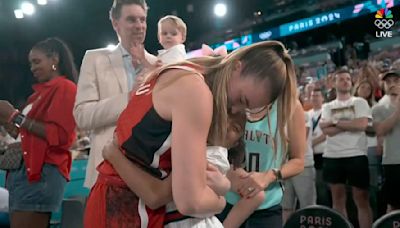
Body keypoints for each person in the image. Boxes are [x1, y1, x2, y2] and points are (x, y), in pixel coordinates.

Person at [84, 40, 298, 228]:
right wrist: (221, 200)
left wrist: (114, 155)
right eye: (241, 100)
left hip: (116, 197)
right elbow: (191, 201)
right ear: (236, 66)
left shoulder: (183, 69)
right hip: (127, 205)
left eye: (245, 110)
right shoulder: (196, 91)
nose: (234, 111)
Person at [99, 111, 246, 228]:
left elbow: (158, 195)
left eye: (235, 128)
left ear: (235, 143)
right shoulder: (195, 145)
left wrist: (115, 156)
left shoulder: (215, 155)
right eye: (224, 116)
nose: (226, 125)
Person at [73, 0, 157, 189]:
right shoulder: (95, 59)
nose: (139, 26)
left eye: (142, 20)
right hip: (107, 172)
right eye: (131, 20)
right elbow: (82, 116)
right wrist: (130, 98)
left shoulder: (158, 64)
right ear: (115, 23)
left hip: (150, 173)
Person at [0, 37, 77, 228]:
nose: (32, 68)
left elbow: (60, 136)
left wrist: (14, 116)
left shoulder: (65, 88)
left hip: (41, 173)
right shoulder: (37, 95)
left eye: (37, 61)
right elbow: (27, 135)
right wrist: (7, 121)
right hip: (23, 172)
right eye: (30, 63)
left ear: (55, 59)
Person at [218, 99, 306, 228]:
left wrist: (269, 176)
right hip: (227, 199)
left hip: (267, 206)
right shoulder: (233, 98)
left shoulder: (289, 104)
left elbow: (298, 162)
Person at [320, 69, 373, 228]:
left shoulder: (359, 102)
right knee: (337, 199)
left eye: (348, 79)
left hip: (356, 154)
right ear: (335, 83)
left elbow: (361, 125)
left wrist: (335, 122)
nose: (345, 81)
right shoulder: (328, 106)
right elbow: (326, 130)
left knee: (362, 198)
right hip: (332, 156)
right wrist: (350, 124)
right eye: (341, 79)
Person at [130, 15, 187, 89]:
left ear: (182, 38)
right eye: (164, 33)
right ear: (159, 37)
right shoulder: (166, 54)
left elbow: (164, 73)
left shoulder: (177, 51)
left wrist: (143, 60)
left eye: (173, 34)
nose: (168, 36)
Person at [282, 106, 316, 222]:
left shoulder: (303, 114)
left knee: (308, 207)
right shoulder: (278, 116)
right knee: (285, 207)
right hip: (283, 167)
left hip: (303, 166)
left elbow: (300, 139)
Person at [372, 81, 400, 212]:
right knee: (394, 203)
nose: (392, 84)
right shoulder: (379, 108)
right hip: (393, 160)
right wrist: (398, 111)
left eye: (395, 80)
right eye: (388, 82)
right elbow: (380, 130)